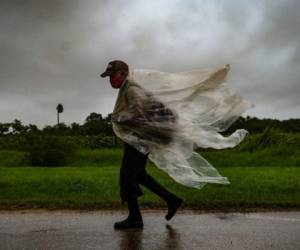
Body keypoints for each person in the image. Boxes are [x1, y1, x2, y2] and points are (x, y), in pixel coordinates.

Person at [100, 60, 183, 230]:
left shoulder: (131, 89)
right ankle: (171, 200)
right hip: (139, 139)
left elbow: (138, 111)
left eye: (112, 76)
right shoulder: (127, 88)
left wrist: (119, 118)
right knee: (139, 175)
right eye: (108, 78)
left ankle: (135, 218)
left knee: (127, 177)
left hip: (140, 141)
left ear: (123, 73)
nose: (110, 81)